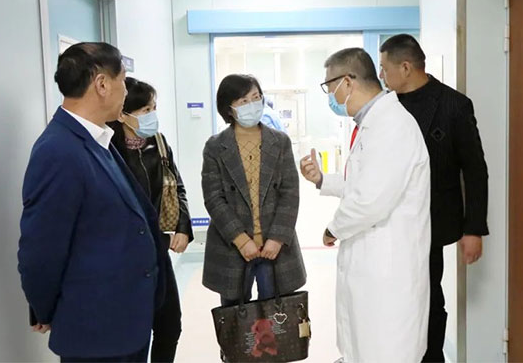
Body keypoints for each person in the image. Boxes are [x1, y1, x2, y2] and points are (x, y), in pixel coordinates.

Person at [17, 43, 167, 363]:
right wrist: (45, 308)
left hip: (124, 323)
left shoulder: (97, 140)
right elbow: (40, 250)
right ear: (102, 84)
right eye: (122, 81)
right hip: (95, 332)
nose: (125, 91)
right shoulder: (58, 151)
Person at [300, 48, 431, 362]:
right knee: (365, 345)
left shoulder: (392, 125)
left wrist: (333, 228)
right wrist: (323, 180)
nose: (330, 97)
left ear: (347, 82)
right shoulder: (373, 124)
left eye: (329, 87)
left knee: (384, 348)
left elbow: (370, 201)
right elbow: (365, 184)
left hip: (388, 271)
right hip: (373, 266)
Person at [379, 34, 489, 362]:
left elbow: (475, 171)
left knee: (428, 297)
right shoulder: (385, 107)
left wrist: (474, 229)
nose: (382, 75)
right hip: (389, 223)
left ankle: (431, 357)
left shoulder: (454, 105)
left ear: (405, 67)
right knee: (393, 299)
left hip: (432, 223)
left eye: (384, 68)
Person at [201, 74, 306, 325]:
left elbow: (290, 193)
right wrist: (241, 240)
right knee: (237, 323)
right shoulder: (215, 146)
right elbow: (214, 197)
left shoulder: (279, 142)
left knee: (278, 320)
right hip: (233, 247)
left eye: (256, 97)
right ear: (229, 108)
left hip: (274, 247)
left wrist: (277, 238)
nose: (252, 105)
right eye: (243, 101)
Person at [108, 77, 193, 363]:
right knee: (135, 331)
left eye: (154, 108)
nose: (152, 115)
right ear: (123, 114)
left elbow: (176, 184)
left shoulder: (158, 142)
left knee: (170, 325)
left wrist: (183, 227)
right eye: (145, 110)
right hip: (126, 256)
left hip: (157, 248)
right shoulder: (108, 150)